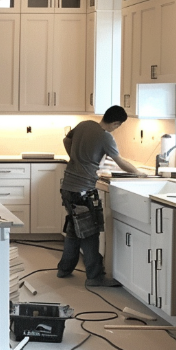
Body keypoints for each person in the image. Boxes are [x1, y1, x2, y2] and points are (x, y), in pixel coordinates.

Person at [58, 105, 144, 287]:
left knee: (74, 230)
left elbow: (66, 141)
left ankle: (64, 270)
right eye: (118, 126)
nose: (116, 128)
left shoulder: (84, 124)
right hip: (82, 191)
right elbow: (120, 161)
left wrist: (77, 159)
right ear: (115, 123)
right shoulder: (106, 137)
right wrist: (138, 173)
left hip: (67, 188)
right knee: (90, 234)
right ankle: (95, 277)